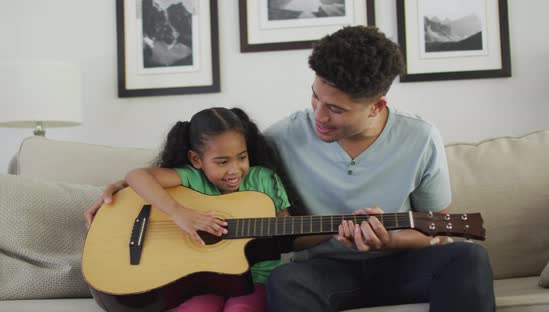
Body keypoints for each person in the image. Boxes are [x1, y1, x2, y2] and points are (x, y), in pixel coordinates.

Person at [86, 26, 495, 312]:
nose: (318, 115)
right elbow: (209, 179)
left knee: (467, 259)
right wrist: (124, 191)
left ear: (376, 105)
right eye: (315, 97)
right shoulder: (281, 137)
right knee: (284, 283)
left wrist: (389, 241)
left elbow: (436, 228)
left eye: (335, 109)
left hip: (397, 266)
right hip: (320, 272)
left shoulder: (420, 138)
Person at [87, 107, 292, 312]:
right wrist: (179, 213)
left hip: (254, 280)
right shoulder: (191, 179)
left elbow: (287, 233)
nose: (234, 169)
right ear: (196, 159)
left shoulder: (263, 180)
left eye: (242, 157)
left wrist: (324, 234)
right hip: (198, 284)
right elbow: (136, 176)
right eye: (222, 162)